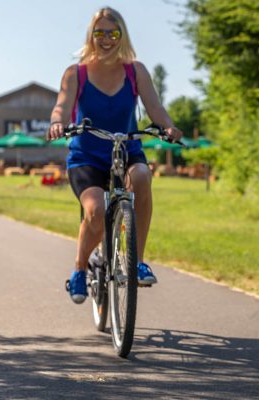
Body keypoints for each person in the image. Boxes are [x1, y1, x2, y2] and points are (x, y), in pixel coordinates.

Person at [48, 7, 183, 304]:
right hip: (87, 156)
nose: (106, 39)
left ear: (122, 35)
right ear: (91, 36)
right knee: (95, 211)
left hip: (127, 149)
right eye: (100, 33)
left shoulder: (136, 71)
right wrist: (57, 122)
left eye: (113, 33)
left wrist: (169, 126)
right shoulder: (76, 74)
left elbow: (155, 108)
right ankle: (80, 269)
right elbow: (61, 105)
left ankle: (137, 261)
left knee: (143, 177)